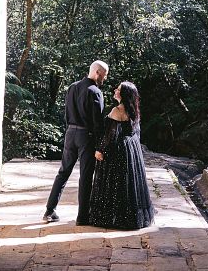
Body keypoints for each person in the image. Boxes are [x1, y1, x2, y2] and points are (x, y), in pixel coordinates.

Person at [43, 60, 109, 224]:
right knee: (86, 176)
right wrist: (100, 145)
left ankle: (49, 211)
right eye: (105, 75)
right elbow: (98, 122)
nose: (105, 79)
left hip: (70, 133)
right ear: (98, 73)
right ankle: (82, 217)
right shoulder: (95, 91)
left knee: (63, 172)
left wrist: (71, 130)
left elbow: (66, 113)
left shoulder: (72, 87)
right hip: (86, 136)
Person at [89, 80, 154, 230]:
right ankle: (129, 217)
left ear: (124, 94)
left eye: (118, 89)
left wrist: (100, 150)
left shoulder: (117, 110)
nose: (115, 91)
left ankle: (114, 217)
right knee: (129, 182)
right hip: (131, 148)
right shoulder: (134, 110)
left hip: (119, 149)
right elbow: (134, 132)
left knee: (116, 182)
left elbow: (110, 135)